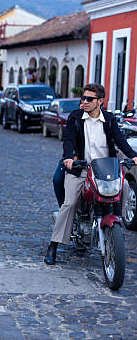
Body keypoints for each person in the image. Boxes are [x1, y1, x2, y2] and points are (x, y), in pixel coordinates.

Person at [44, 84, 137, 265]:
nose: (84, 102)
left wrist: (133, 156)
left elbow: (120, 140)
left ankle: (117, 223)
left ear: (100, 101)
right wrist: (69, 158)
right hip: (81, 167)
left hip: (105, 168)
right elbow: (68, 140)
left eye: (89, 99)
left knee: (125, 186)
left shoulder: (109, 119)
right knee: (70, 203)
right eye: (83, 98)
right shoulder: (75, 118)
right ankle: (53, 245)